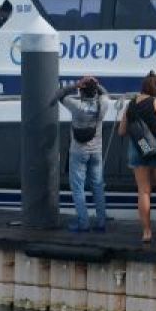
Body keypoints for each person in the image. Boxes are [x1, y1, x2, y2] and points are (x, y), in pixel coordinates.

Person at [118, 72, 156, 242]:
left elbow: (121, 131)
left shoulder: (131, 105)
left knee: (143, 191)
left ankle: (146, 232)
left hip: (138, 147)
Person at [55, 76, 109, 234]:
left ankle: (83, 223)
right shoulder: (103, 104)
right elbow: (105, 93)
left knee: (78, 188)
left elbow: (59, 94)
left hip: (79, 151)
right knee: (98, 186)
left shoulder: (76, 105)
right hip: (96, 151)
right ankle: (101, 223)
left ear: (81, 91)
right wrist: (97, 84)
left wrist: (75, 84)